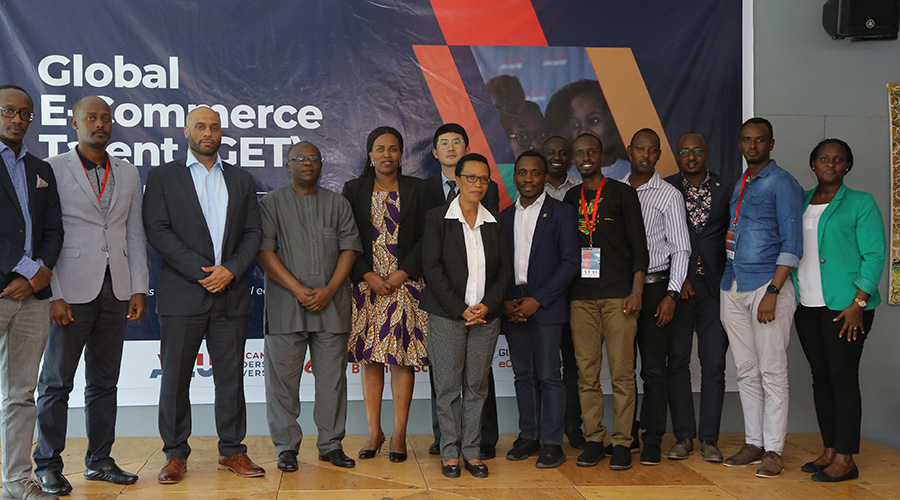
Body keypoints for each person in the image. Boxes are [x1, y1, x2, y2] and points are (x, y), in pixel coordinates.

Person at [143, 106, 263, 484]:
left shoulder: (242, 179)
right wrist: (203, 273)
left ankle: (232, 451)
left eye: (214, 126)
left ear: (222, 132)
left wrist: (230, 270)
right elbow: (158, 231)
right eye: (200, 126)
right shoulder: (163, 176)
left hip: (231, 293)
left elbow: (253, 233)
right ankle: (175, 454)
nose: (207, 132)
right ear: (186, 131)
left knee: (231, 378)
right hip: (183, 296)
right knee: (175, 379)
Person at [34, 96, 148, 496]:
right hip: (70, 291)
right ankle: (47, 464)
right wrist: (53, 293)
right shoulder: (51, 168)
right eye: (91, 118)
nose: (100, 124)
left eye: (105, 118)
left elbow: (134, 234)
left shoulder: (128, 171)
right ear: (74, 122)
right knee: (56, 383)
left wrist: (138, 286)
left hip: (115, 290)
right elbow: (46, 233)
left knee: (104, 382)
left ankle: (100, 461)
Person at [259, 141, 362, 472]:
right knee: (282, 384)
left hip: (332, 306)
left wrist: (330, 289)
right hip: (285, 306)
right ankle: (286, 447)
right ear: (287, 165)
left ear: (322, 166)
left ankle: (331, 445)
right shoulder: (271, 203)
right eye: (300, 159)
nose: (307, 163)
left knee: (332, 381)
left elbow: (349, 248)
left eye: (314, 159)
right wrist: (299, 289)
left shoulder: (338, 203)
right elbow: (264, 251)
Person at [792, 139, 884, 482]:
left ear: (848, 166)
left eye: (838, 159)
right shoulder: (800, 200)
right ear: (813, 163)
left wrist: (858, 302)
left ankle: (846, 459)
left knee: (843, 379)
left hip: (846, 308)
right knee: (821, 379)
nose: (830, 164)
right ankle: (830, 449)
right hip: (808, 305)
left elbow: (875, 256)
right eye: (824, 159)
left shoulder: (861, 203)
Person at [343, 127, 433, 463]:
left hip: (405, 286)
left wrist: (399, 274)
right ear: (369, 153)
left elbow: (428, 237)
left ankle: (398, 434)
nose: (387, 155)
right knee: (370, 359)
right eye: (380, 149)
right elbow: (347, 236)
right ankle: (373, 432)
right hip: (367, 287)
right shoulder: (353, 190)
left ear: (401, 154)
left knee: (401, 359)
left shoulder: (419, 189)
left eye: (393, 149)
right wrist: (367, 274)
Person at [720, 117, 803, 478]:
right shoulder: (742, 182)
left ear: (771, 144)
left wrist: (773, 289)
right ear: (740, 144)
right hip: (733, 285)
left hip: (766, 288)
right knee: (745, 371)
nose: (752, 146)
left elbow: (793, 243)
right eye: (746, 140)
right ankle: (754, 443)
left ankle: (774, 449)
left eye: (759, 140)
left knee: (772, 370)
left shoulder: (783, 183)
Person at [420, 153, 511, 479]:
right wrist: (460, 309)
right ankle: (449, 452)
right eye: (471, 177)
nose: (478, 184)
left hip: (486, 317)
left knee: (475, 387)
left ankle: (472, 451)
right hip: (447, 316)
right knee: (446, 389)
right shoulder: (437, 218)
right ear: (456, 180)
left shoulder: (495, 222)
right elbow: (431, 268)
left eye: (484, 179)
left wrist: (486, 305)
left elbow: (504, 272)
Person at [562, 133, 648, 471]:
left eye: (591, 152)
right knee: (587, 374)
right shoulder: (570, 198)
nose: (585, 157)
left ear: (602, 155)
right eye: (579, 153)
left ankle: (623, 441)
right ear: (573, 158)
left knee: (623, 374)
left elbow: (640, 248)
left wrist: (637, 289)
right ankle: (595, 438)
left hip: (619, 297)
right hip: (580, 299)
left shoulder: (623, 194)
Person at [0, 84, 64, 500]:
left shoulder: (41, 168)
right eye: (10, 111)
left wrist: (42, 274)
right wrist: (28, 270)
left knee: (21, 394)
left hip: (33, 298)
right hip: (5, 287)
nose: (18, 119)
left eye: (26, 113)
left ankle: (15, 481)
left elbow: (55, 229)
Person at [501, 151, 579, 468]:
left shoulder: (561, 213)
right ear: (515, 176)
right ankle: (528, 436)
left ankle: (551, 443)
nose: (528, 178)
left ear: (545, 177)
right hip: (513, 304)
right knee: (523, 374)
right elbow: (499, 263)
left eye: (535, 173)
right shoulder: (504, 216)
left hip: (545, 305)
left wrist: (538, 300)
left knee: (549, 376)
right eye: (522, 173)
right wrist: (507, 300)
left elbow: (571, 262)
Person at [622, 129, 691, 466]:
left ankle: (652, 439)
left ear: (659, 154)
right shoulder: (614, 191)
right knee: (623, 369)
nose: (645, 155)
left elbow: (681, 249)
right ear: (629, 150)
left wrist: (672, 294)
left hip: (655, 290)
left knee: (653, 369)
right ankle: (627, 436)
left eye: (652, 150)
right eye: (639, 149)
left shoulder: (668, 195)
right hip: (619, 292)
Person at [664, 132, 731, 463]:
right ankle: (683, 437)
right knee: (676, 363)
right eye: (684, 152)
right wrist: (681, 278)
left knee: (714, 364)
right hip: (678, 290)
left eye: (697, 151)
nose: (690, 157)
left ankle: (709, 440)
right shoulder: (665, 188)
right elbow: (660, 239)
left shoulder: (726, 189)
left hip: (715, 290)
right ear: (677, 155)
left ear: (707, 154)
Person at [541, 135, 584, 449]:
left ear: (571, 157)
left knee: (573, 364)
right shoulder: (530, 191)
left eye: (562, 153)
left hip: (576, 289)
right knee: (541, 368)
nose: (557, 157)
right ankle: (544, 429)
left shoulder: (581, 192)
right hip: (540, 295)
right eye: (551, 153)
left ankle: (573, 425)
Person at [545, 79, 630, 180]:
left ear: (612, 124)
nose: (584, 131)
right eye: (576, 124)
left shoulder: (631, 172)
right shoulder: (564, 178)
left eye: (594, 121)